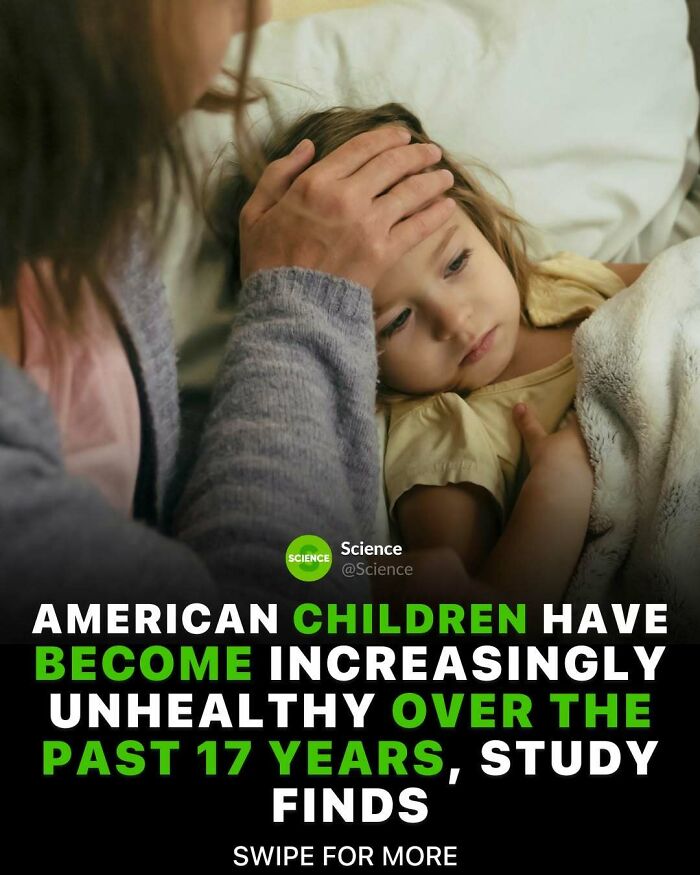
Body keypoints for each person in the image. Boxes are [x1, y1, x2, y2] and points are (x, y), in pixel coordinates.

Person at [0, 2, 459, 634]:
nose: (256, 13)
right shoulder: (418, 455)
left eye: (458, 261)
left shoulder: (77, 178)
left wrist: (370, 563)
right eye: (394, 322)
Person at [216, 102, 649, 619]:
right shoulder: (440, 431)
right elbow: (478, 618)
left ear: (477, 216)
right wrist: (557, 491)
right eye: (396, 322)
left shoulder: (560, 283)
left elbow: (681, 285)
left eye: (456, 262)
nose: (454, 320)